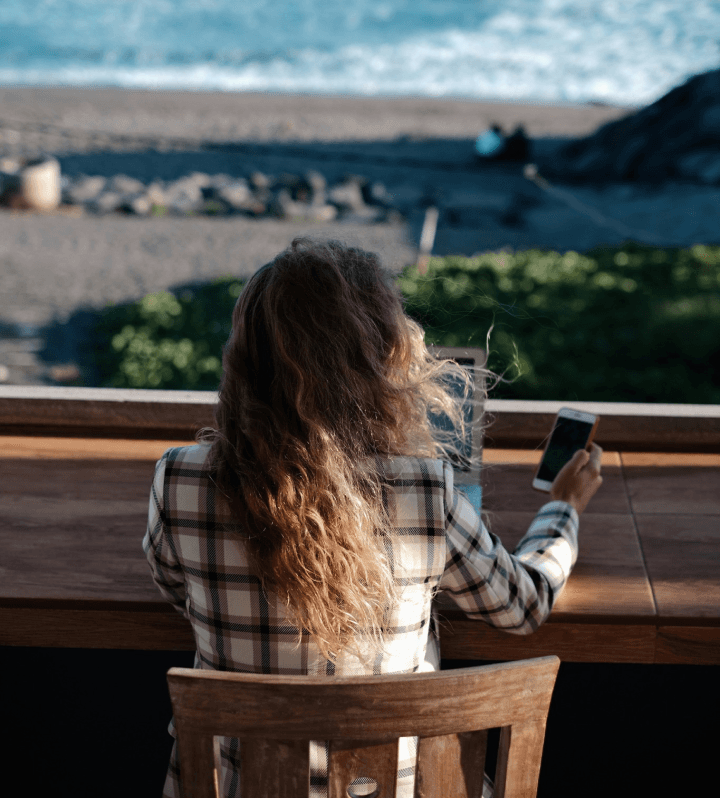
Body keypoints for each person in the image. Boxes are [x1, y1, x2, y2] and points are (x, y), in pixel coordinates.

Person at [144, 238, 602, 798]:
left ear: (245, 358)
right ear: (381, 358)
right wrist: (564, 506)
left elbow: (172, 585)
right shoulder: (423, 491)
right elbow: (523, 605)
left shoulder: (181, 480)